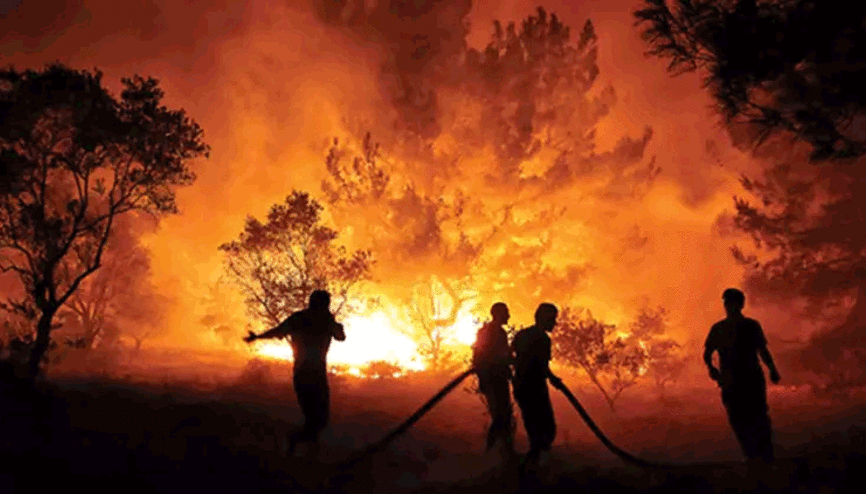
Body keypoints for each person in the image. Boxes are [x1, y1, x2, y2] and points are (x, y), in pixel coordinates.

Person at [244, 289, 346, 457]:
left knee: (315, 419)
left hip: (306, 374)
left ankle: (308, 453)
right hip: (312, 375)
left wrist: (258, 337)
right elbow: (340, 336)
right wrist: (258, 337)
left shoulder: (301, 318)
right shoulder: (324, 320)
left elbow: (278, 330)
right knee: (318, 419)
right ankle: (296, 443)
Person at [704, 288, 781, 469]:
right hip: (732, 381)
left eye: (731, 302)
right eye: (726, 302)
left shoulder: (751, 326)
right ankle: (753, 456)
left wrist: (772, 369)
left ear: (740, 304)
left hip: (750, 379)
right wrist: (711, 368)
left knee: (757, 416)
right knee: (738, 418)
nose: (728, 306)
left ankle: (765, 456)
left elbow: (763, 351)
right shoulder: (719, 328)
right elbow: (707, 353)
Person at [510, 302, 564, 474]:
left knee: (534, 428)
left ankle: (531, 467)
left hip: (521, 387)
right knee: (546, 429)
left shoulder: (522, 335)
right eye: (553, 319)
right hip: (534, 389)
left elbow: (512, 357)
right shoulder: (542, 339)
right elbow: (541, 366)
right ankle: (532, 469)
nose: (555, 323)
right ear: (544, 318)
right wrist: (553, 379)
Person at [471, 302, 516, 460]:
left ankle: (505, 452)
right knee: (501, 416)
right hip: (495, 380)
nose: (509, 316)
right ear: (498, 314)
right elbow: (496, 357)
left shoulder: (486, 331)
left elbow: (478, 357)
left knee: (502, 416)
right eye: (506, 313)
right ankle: (490, 452)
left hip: (494, 379)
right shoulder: (496, 332)